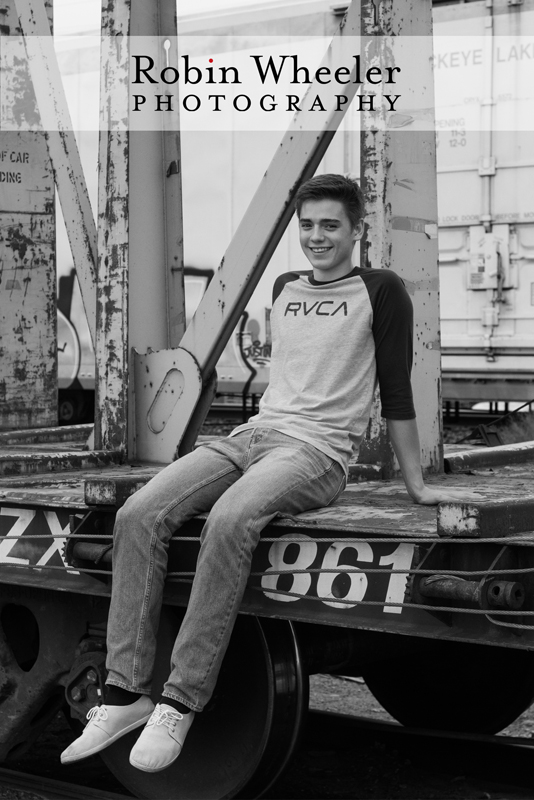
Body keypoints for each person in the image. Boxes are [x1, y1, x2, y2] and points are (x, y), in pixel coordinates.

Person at [61, 173, 475, 773]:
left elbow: (396, 391)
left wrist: (416, 484)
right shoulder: (284, 286)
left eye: (330, 225)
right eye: (306, 226)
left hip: (316, 454)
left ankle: (180, 700)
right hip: (251, 437)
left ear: (358, 230)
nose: (316, 237)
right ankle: (125, 693)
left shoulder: (382, 291)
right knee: (139, 514)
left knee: (230, 520)